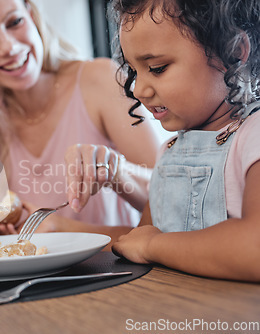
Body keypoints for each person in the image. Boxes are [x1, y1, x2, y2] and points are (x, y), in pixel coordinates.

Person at [0, 0, 162, 235]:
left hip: (117, 273)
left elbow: (170, 193)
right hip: (35, 283)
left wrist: (115, 170)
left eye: (14, 22)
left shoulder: (100, 79)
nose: (8, 47)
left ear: (31, 14)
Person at [77, 0, 260, 281]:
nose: (138, 90)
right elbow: (137, 240)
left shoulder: (253, 136)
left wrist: (153, 246)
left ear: (233, 53)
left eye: (158, 68)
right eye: (134, 71)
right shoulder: (170, 151)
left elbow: (254, 249)